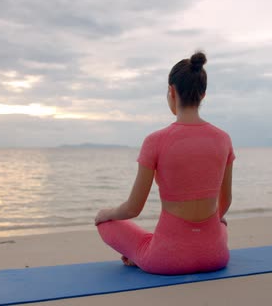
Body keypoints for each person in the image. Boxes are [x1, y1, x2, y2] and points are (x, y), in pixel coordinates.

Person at [95, 51, 235, 275]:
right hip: (215, 256)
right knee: (220, 223)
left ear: (171, 91)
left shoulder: (155, 141)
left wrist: (107, 213)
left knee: (105, 224)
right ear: (203, 95)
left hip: (167, 260)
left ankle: (141, 251)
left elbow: (133, 208)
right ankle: (200, 238)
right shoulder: (223, 139)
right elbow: (225, 203)